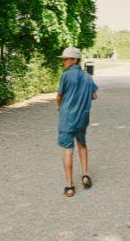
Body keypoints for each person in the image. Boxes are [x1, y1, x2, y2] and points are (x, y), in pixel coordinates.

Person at [56, 46, 98, 197]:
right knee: (82, 145)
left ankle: (70, 186)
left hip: (67, 118)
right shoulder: (88, 77)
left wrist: (59, 107)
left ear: (74, 60)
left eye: (65, 59)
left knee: (68, 150)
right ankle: (85, 175)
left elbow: (59, 96)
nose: (63, 62)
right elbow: (94, 96)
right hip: (82, 118)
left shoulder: (66, 76)